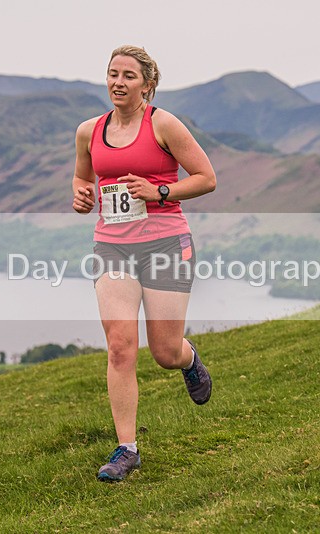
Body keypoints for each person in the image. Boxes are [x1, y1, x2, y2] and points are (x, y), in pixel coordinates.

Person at [72, 45, 217, 482]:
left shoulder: (164, 124)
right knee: (119, 346)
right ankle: (127, 449)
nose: (118, 82)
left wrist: (160, 193)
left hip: (165, 243)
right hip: (112, 246)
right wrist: (81, 195)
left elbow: (206, 178)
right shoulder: (88, 131)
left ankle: (188, 360)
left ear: (147, 84)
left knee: (164, 351)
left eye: (128, 76)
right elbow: (84, 176)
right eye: (112, 74)